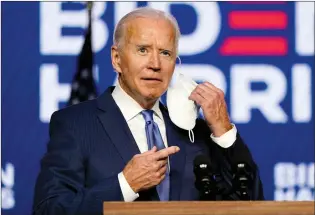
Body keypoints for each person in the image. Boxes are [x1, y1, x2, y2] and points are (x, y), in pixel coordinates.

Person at [33, 7, 264, 215]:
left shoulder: (194, 131)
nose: (155, 64)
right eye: (143, 50)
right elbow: (48, 210)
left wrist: (224, 132)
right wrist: (125, 184)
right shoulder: (76, 124)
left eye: (165, 53)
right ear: (116, 59)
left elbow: (250, 204)